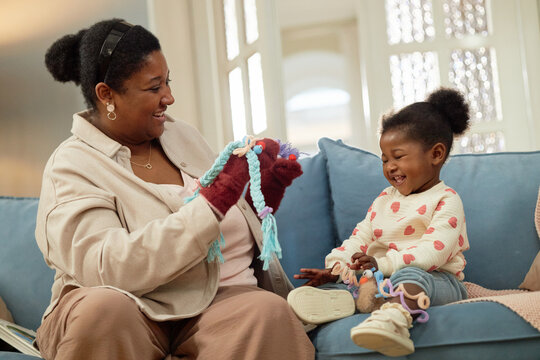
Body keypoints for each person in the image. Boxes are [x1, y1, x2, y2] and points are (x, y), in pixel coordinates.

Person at [35, 18, 314, 360]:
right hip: (126, 307)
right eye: (154, 88)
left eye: (167, 82)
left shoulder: (181, 135)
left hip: (212, 302)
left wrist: (262, 195)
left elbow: (218, 225)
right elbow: (106, 267)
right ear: (107, 95)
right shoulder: (71, 164)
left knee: (267, 312)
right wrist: (215, 200)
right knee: (104, 310)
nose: (169, 97)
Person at [287, 88, 470, 357]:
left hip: (436, 279)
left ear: (436, 154)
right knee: (349, 281)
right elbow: (361, 237)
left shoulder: (446, 199)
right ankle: (347, 299)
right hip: (382, 277)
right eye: (385, 159)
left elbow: (433, 252)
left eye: (398, 156)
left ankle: (394, 319)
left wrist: (382, 265)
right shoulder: (385, 199)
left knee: (412, 276)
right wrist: (338, 268)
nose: (390, 166)